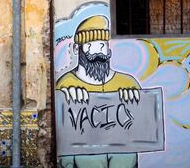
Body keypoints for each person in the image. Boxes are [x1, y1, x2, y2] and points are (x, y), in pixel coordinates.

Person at [56, 15, 141, 168]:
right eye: (89, 44)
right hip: (84, 155)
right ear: (77, 49)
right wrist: (65, 96)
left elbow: (141, 127)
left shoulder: (128, 83)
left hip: (120, 154)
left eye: (102, 44)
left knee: (125, 155)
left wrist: (135, 101)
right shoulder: (65, 84)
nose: (97, 50)